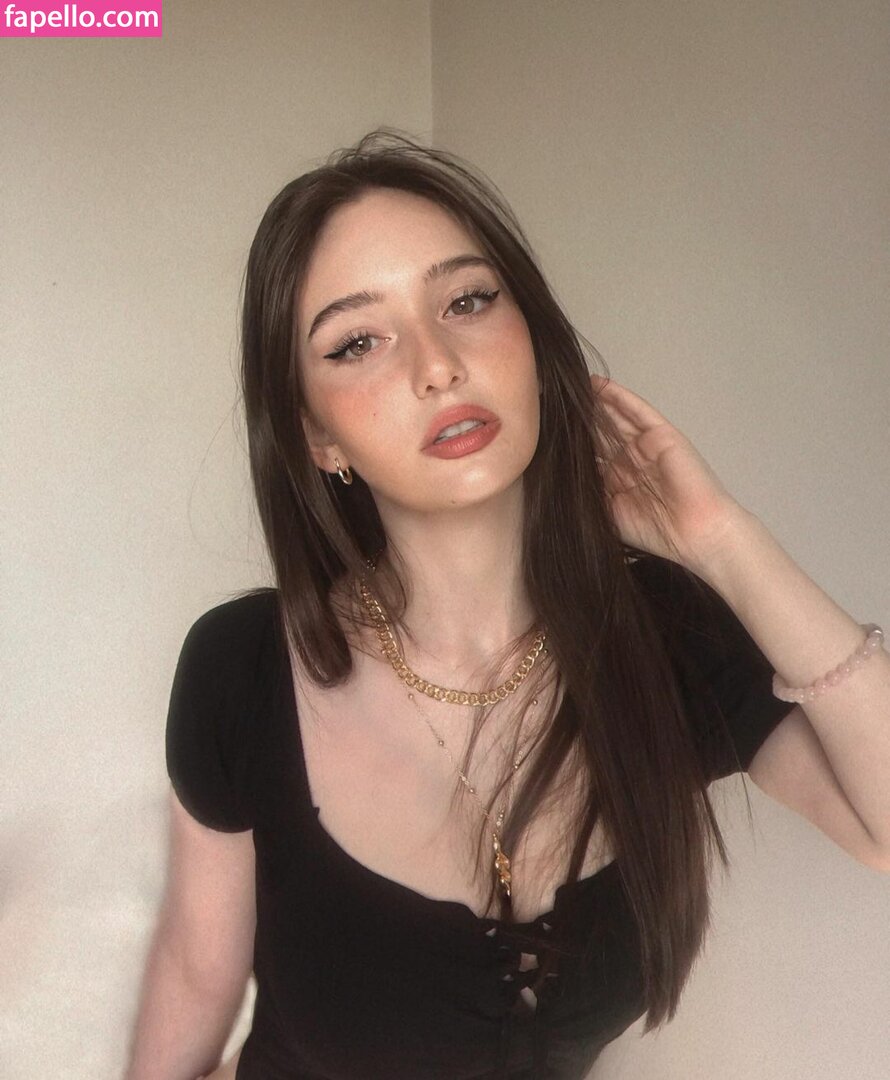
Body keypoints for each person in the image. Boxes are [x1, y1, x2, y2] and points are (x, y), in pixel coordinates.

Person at [125, 129, 890, 1080]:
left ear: (531, 339)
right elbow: (195, 971)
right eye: (357, 342)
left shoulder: (664, 631)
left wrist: (724, 542)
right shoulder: (240, 665)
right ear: (319, 437)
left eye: (467, 300)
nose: (438, 363)